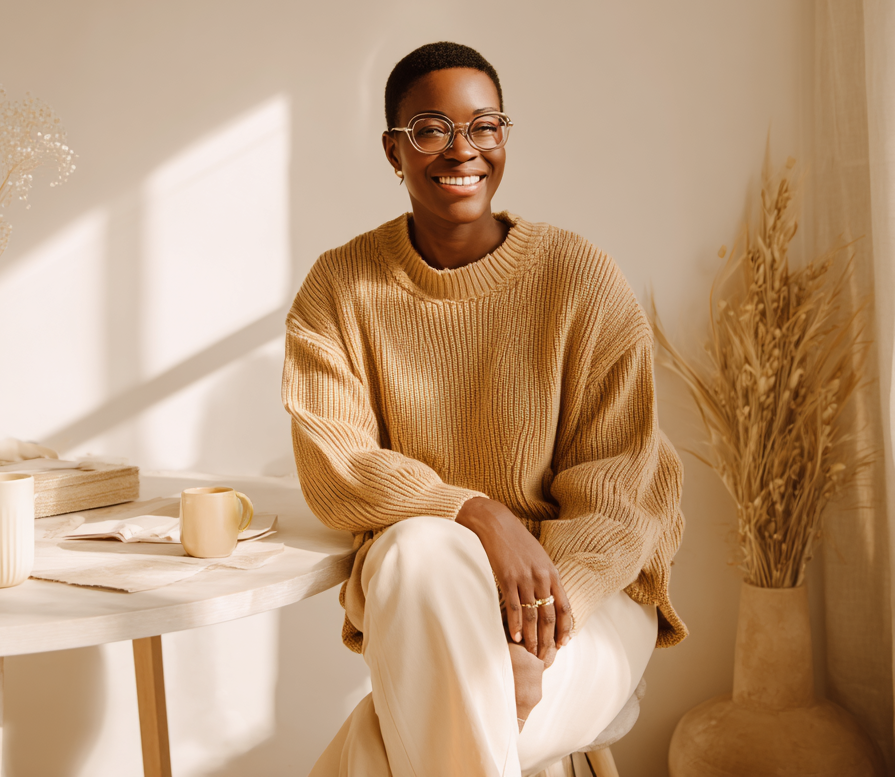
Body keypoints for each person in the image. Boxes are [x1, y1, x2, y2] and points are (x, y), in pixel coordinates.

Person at [283, 42, 686, 777]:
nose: (462, 150)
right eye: (431, 129)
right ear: (393, 150)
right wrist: (477, 512)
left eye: (485, 127)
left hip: (587, 602)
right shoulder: (340, 288)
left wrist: (532, 641)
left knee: (410, 734)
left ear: (504, 139)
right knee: (412, 547)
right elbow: (336, 467)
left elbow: (621, 501)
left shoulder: (580, 279)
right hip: (427, 601)